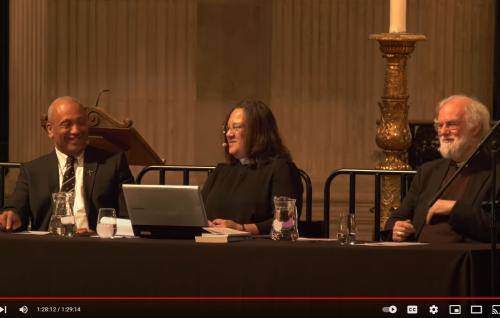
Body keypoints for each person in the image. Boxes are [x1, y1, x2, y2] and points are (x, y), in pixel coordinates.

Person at [0, 96, 134, 232]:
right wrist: (11, 216)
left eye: (81, 123)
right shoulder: (32, 171)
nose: (75, 130)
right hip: (46, 248)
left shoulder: (113, 163)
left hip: (97, 247)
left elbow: (129, 218)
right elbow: (15, 210)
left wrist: (101, 231)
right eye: (67, 124)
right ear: (50, 130)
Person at [384, 94, 499, 242]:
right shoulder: (428, 171)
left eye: (451, 124)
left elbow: (495, 228)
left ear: (475, 128)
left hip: (463, 259)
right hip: (417, 255)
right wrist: (396, 228)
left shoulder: (494, 171)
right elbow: (397, 218)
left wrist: (454, 209)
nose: (443, 132)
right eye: (440, 125)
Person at [202, 99, 303, 235]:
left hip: (255, 250)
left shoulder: (280, 169)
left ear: (257, 132)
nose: (228, 134)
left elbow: (286, 222)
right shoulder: (221, 171)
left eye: (236, 127)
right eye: (227, 128)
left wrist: (240, 228)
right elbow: (199, 212)